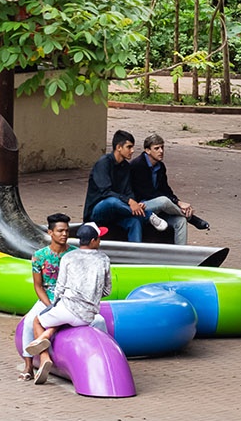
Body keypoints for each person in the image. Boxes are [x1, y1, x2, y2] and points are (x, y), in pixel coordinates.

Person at [25, 223, 112, 384]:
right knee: (62, 318)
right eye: (99, 238)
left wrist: (58, 303)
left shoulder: (69, 257)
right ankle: (47, 335)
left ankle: (44, 357)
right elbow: (107, 291)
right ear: (93, 240)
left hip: (67, 309)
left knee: (37, 320)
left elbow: (60, 288)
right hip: (87, 315)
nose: (100, 241)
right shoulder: (104, 259)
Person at [82, 129, 167, 243]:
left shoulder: (126, 167)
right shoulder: (103, 163)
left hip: (118, 212)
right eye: (129, 147)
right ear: (119, 147)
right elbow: (105, 192)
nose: (132, 151)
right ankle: (148, 216)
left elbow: (128, 191)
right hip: (98, 212)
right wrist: (129, 202)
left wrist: (135, 203)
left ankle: (136, 252)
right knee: (112, 201)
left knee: (135, 222)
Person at [19, 213, 74, 380]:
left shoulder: (75, 254)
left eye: (66, 231)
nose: (64, 234)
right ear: (50, 232)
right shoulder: (39, 256)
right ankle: (29, 366)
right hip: (47, 297)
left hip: (69, 298)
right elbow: (38, 285)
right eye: (60, 231)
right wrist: (49, 305)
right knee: (29, 322)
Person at [129, 134, 210, 244]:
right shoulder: (138, 165)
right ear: (147, 150)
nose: (161, 151)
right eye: (156, 148)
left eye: (162, 147)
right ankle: (191, 218)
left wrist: (177, 201)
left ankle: (181, 253)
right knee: (164, 201)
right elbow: (148, 193)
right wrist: (177, 203)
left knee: (180, 221)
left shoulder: (160, 166)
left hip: (158, 208)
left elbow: (166, 190)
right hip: (141, 206)